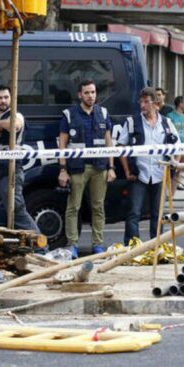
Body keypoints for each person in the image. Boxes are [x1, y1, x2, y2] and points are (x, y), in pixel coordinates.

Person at [58, 79, 116, 258]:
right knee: (73, 207)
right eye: (87, 93)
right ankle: (72, 245)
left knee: (98, 207)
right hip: (77, 168)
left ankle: (97, 245)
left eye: (93, 92)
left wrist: (111, 167)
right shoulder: (69, 115)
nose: (91, 96)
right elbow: (62, 144)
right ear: (79, 95)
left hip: (100, 167)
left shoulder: (103, 113)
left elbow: (109, 142)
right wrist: (62, 169)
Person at [117, 87, 179, 243]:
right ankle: (132, 246)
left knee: (158, 214)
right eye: (141, 102)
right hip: (139, 174)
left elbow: (177, 145)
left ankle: (157, 244)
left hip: (159, 174)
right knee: (134, 213)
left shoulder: (166, 123)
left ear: (155, 104)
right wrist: (126, 171)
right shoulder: (132, 122)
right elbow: (121, 147)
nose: (142, 105)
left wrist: (173, 164)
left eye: (146, 102)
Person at [0, 85, 39, 233]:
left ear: (11, 99)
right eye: (0, 98)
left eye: (6, 97)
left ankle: (41, 247)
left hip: (9, 173)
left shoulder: (15, 115)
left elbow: (15, 125)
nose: (3, 101)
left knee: (17, 213)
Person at [166, 96, 184, 190]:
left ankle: (171, 196)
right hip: (174, 148)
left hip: (183, 148)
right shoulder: (170, 116)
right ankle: (165, 194)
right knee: (171, 172)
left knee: (179, 173)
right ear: (180, 104)